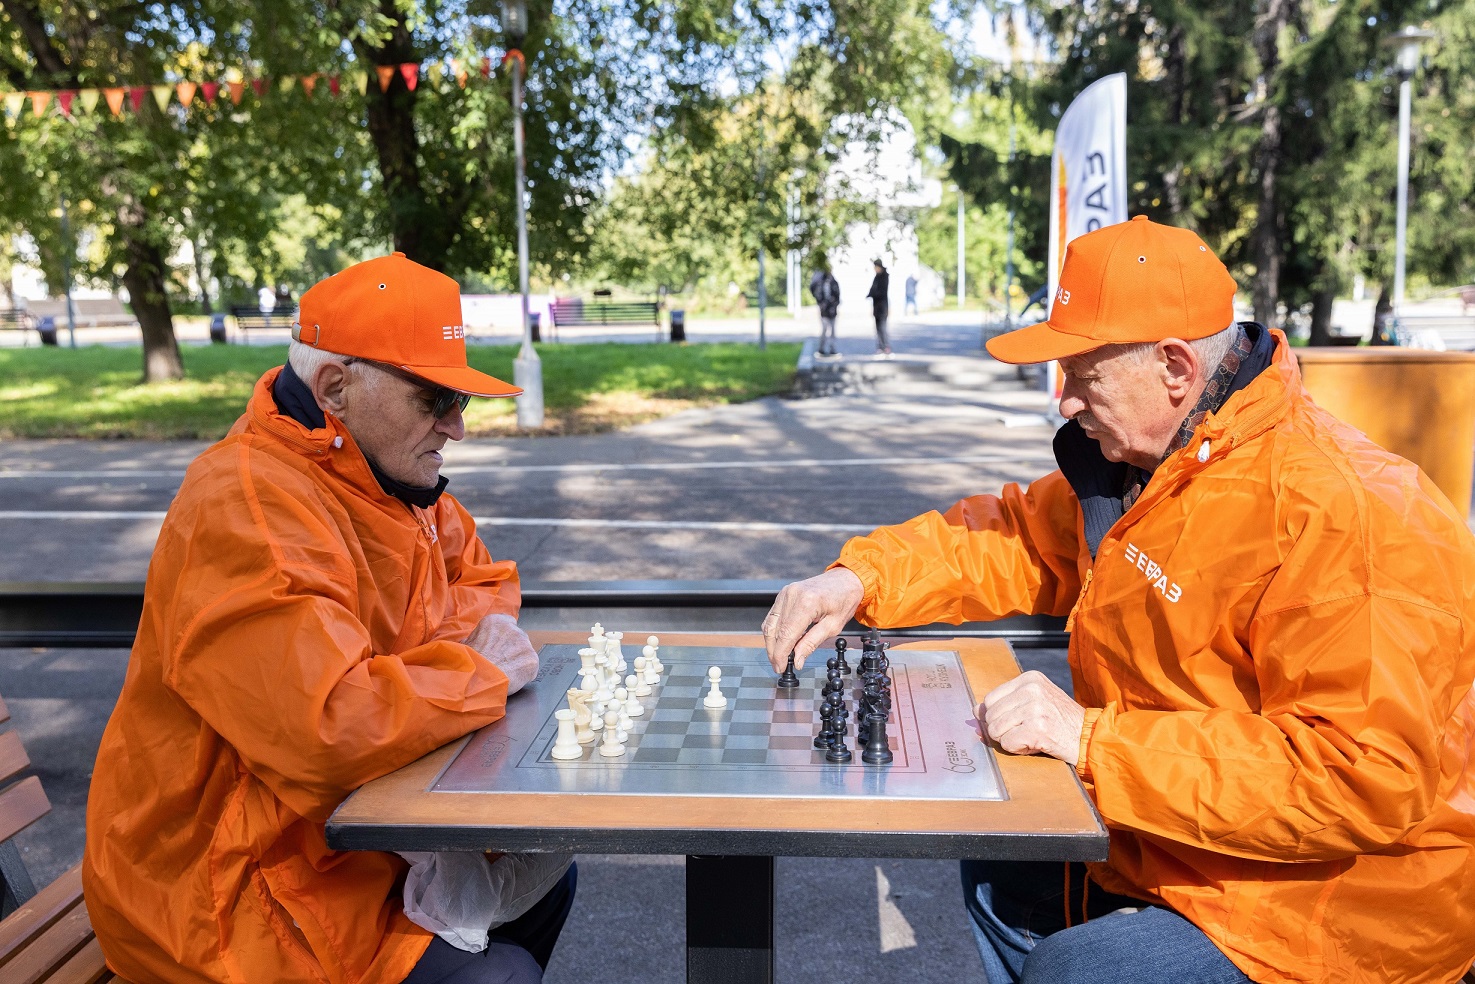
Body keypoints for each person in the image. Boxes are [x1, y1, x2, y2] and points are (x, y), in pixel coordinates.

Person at [762, 216, 1475, 983]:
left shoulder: (1349, 512)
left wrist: (1091, 742)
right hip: (1180, 841)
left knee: (1084, 970)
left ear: (1173, 367)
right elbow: (1017, 539)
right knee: (1001, 851)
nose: (1063, 400)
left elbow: (1358, 776)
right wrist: (860, 576)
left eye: (1082, 375)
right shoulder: (1146, 465)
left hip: (1345, 907)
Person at [84, 253, 576, 984]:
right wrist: (473, 671)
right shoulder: (245, 505)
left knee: (546, 876)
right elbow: (331, 727)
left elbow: (482, 578)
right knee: (494, 977)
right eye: (435, 397)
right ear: (335, 388)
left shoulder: (394, 481)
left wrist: (411, 672)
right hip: (224, 890)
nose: (455, 428)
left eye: (460, 401)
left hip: (330, 850)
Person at [809, 258, 841, 356]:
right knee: (824, 329)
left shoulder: (833, 282)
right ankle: (821, 348)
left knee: (832, 330)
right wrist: (821, 303)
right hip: (824, 309)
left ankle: (832, 348)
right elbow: (815, 290)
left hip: (832, 309)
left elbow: (837, 295)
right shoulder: (820, 281)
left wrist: (834, 304)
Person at [867, 259, 890, 355]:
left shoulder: (884, 277)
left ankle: (885, 346)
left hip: (882, 306)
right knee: (877, 328)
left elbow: (882, 292)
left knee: (883, 327)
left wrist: (873, 294)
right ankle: (880, 346)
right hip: (876, 306)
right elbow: (873, 289)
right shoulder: (877, 277)